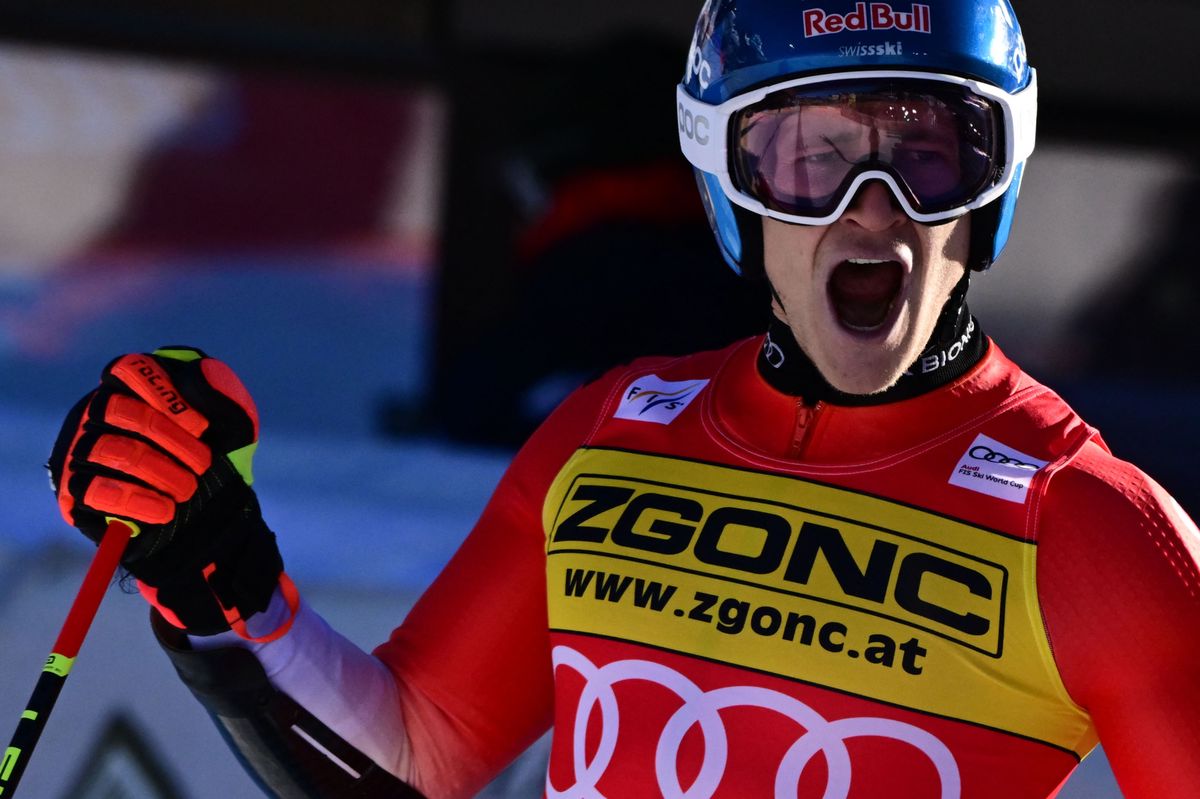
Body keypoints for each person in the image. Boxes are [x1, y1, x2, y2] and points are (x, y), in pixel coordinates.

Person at [47, 1, 1200, 797]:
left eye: (933, 151)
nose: (873, 204)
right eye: (811, 154)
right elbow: (410, 760)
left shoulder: (1090, 526)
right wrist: (220, 578)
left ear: (998, 180)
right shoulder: (611, 431)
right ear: (726, 182)